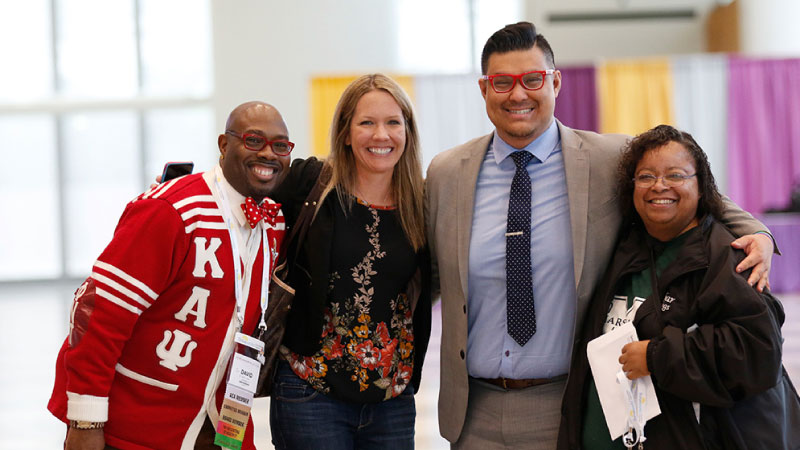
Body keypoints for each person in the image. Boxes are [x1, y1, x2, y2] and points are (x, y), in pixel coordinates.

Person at [424, 21, 777, 449]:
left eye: (532, 79)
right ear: (484, 89)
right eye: (503, 82)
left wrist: (756, 233)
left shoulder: (607, 160)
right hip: (473, 413)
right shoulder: (447, 173)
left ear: (555, 81)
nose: (518, 94)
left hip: (567, 404)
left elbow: (695, 193)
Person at [48, 101, 291, 450]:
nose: (268, 154)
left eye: (280, 146)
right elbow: (100, 314)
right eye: (254, 141)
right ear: (224, 145)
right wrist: (85, 420)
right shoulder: (172, 210)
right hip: (136, 427)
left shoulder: (273, 221)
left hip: (221, 426)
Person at [557, 124, 800, 449]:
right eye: (646, 176)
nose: (659, 186)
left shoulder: (728, 258)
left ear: (702, 187)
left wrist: (658, 357)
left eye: (675, 175)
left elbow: (758, 353)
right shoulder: (625, 247)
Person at [267, 74, 431, 450]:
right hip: (310, 390)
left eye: (393, 122)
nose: (381, 135)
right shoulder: (310, 183)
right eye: (366, 123)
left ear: (408, 130)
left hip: (392, 398)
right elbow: (246, 199)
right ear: (344, 132)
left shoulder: (421, 201)